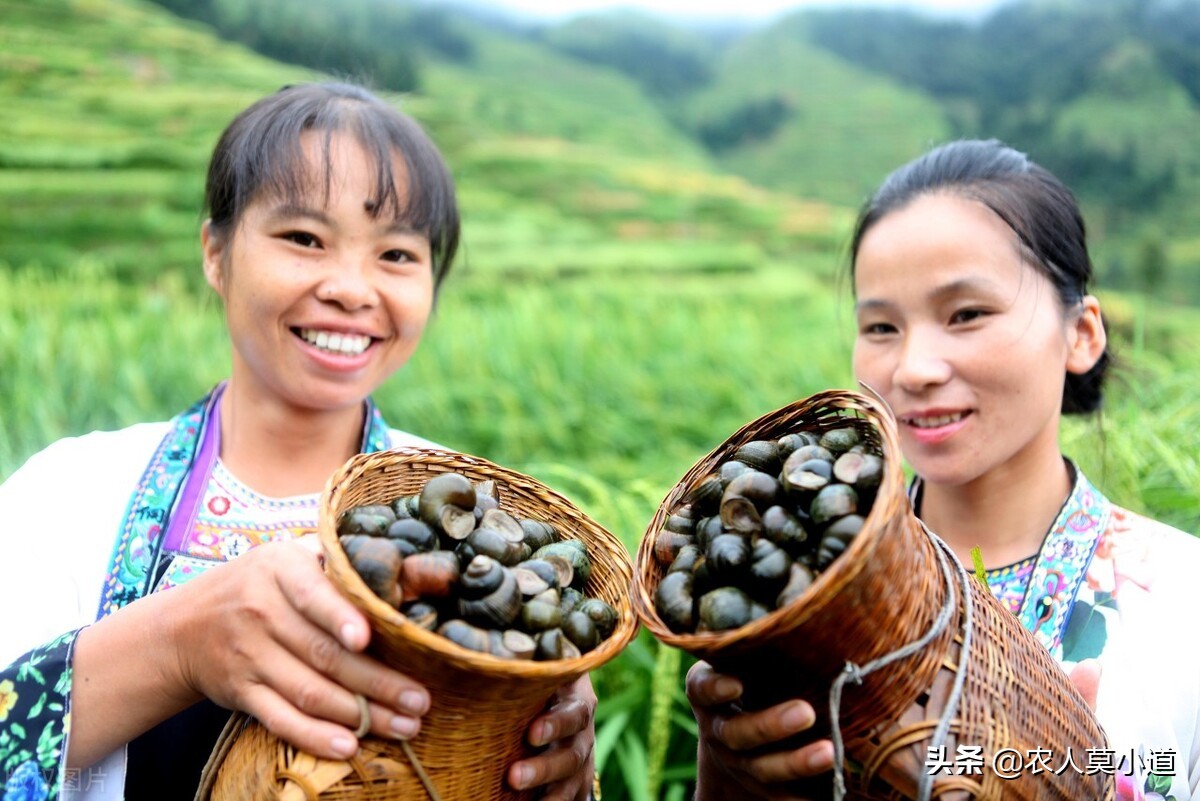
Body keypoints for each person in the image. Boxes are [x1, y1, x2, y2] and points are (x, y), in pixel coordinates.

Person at [0, 82, 596, 801]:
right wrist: (178, 646)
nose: (351, 288)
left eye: (397, 254)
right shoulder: (67, 494)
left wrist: (547, 753)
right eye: (305, 239)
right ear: (215, 253)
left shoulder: (484, 523)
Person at [687, 139, 1200, 800]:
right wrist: (725, 776)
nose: (914, 369)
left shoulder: (1184, 602)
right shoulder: (806, 600)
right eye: (881, 327)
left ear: (1081, 334)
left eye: (966, 314)